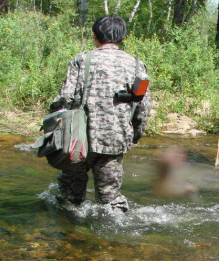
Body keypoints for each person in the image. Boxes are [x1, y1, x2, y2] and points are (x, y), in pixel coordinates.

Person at [49, 15, 151, 212]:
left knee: (70, 198)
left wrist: (54, 127)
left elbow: (64, 98)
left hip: (78, 139)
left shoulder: (81, 60)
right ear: (123, 38)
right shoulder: (136, 64)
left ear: (95, 36)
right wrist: (134, 135)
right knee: (110, 198)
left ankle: (70, 236)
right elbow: (143, 106)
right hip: (115, 139)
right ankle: (113, 237)